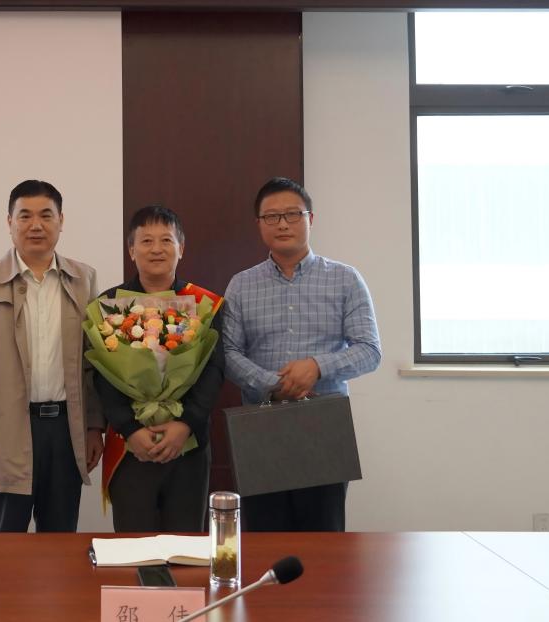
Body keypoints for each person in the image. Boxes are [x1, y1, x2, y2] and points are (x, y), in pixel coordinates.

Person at [223, 177, 381, 532]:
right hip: (260, 425)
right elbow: (228, 352)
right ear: (259, 224)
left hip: (323, 426)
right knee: (264, 537)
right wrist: (272, 382)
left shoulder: (345, 279)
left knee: (323, 538)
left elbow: (369, 350)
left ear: (310, 218)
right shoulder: (241, 284)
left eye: (292, 214)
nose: (282, 223)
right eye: (272, 216)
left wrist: (317, 367)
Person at [0, 179, 104, 532]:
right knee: (3, 545)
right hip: (7, 433)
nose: (35, 225)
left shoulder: (83, 279)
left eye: (46, 215)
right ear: (10, 222)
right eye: (25, 216)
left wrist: (94, 426)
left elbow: (93, 364)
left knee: (60, 540)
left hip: (66, 431)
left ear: (61, 221)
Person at [94, 205, 225, 532]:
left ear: (181, 248)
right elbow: (101, 376)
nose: (156, 249)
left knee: (185, 546)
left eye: (166, 240)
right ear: (131, 250)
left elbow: (214, 370)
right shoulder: (109, 305)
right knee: (134, 547)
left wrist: (185, 424)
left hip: (188, 447)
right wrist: (130, 429)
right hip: (131, 448)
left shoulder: (204, 304)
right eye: (146, 241)